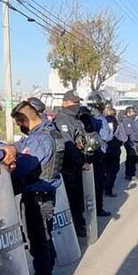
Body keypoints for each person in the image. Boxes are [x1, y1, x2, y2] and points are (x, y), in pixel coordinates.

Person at [10, 98, 63, 275]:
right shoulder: (50, 132)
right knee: (44, 237)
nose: (19, 127)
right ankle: (46, 272)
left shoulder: (39, 140)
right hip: (45, 195)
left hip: (37, 197)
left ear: (24, 119)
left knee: (38, 240)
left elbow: (22, 166)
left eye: (18, 122)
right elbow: (18, 146)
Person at [50, 90, 88, 237]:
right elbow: (68, 144)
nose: (77, 105)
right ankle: (75, 227)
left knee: (78, 197)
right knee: (72, 198)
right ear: (65, 103)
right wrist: (80, 162)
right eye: (74, 102)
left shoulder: (76, 119)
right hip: (68, 167)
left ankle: (79, 221)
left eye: (78, 102)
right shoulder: (62, 120)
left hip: (78, 165)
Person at [85, 93, 112, 216]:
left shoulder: (84, 117)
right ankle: (98, 209)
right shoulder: (101, 119)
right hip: (99, 154)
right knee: (98, 183)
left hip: (86, 154)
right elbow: (107, 136)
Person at [115, 106, 138, 180]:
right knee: (132, 158)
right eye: (132, 112)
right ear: (128, 113)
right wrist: (137, 139)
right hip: (130, 142)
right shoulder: (127, 121)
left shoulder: (131, 120)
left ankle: (129, 174)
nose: (134, 113)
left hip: (132, 141)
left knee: (131, 158)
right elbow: (130, 133)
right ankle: (130, 174)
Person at [102, 104, 122, 197]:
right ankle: (108, 189)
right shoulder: (118, 124)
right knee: (113, 170)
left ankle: (102, 187)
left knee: (104, 169)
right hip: (114, 149)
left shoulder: (102, 122)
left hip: (104, 149)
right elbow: (123, 137)